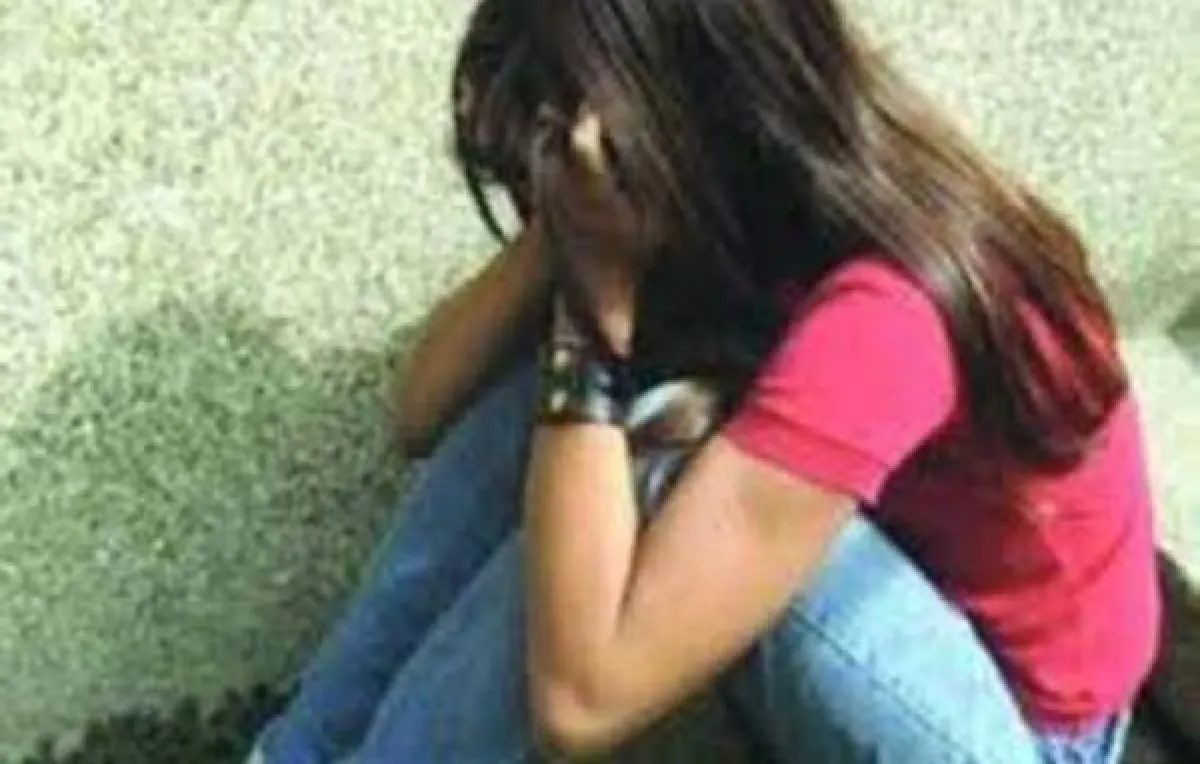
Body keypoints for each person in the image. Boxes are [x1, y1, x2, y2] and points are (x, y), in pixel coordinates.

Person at [249, 0, 1161, 761]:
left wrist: (593, 318)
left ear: (667, 129)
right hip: (887, 618)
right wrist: (567, 242)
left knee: (650, 441)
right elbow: (419, 412)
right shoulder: (758, 165)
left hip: (1015, 732)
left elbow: (583, 703)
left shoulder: (887, 314)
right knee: (558, 407)